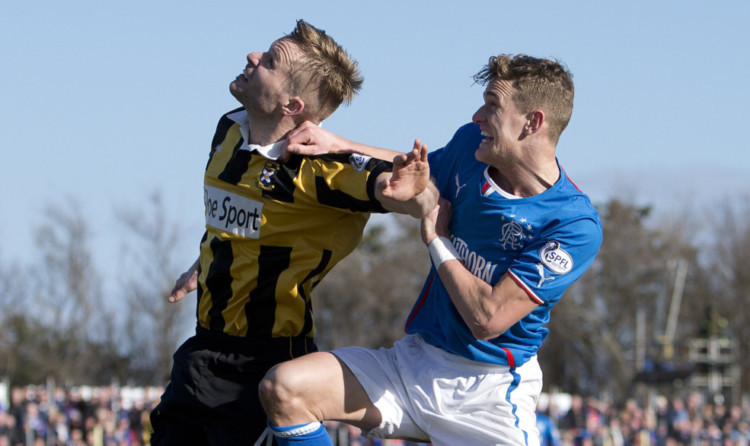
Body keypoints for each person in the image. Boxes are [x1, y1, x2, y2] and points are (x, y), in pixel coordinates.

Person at [257, 53, 603, 446]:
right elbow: (417, 172)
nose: (477, 116)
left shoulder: (572, 225)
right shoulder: (471, 147)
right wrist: (337, 143)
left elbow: (487, 319)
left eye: (492, 105)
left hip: (489, 395)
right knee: (284, 388)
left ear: (533, 122)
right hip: (414, 364)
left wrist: (437, 240)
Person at [149, 20, 437, 446]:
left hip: (265, 362)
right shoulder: (229, 128)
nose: (252, 57)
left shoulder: (320, 169)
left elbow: (409, 195)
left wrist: (414, 194)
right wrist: (209, 256)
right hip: (201, 352)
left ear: (291, 104)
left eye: (268, 61)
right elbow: (245, 214)